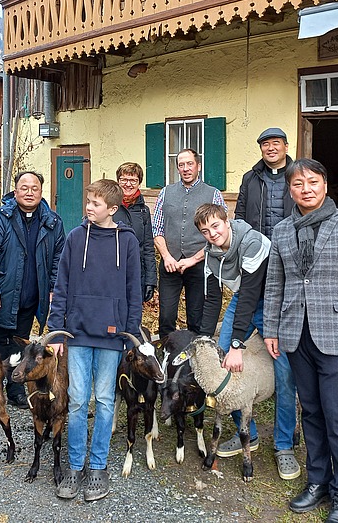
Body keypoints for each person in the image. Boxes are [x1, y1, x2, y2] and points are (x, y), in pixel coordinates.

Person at [263, 159, 338, 523]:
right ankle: (319, 482)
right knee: (310, 412)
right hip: (296, 335)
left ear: (325, 185)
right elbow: (275, 285)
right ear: (290, 190)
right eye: (298, 184)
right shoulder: (282, 231)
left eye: (313, 182)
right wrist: (270, 329)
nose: (306, 189)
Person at [47, 179, 142, 502]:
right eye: (88, 201)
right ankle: (75, 466)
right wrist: (56, 330)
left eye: (96, 203)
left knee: (103, 401)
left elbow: (134, 291)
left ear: (112, 209)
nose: (89, 207)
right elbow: (61, 286)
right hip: (76, 333)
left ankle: (98, 467)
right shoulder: (75, 238)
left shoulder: (127, 242)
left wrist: (131, 336)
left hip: (112, 335)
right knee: (76, 401)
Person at [223, 126, 300, 480]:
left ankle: (284, 443)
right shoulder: (251, 178)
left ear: (286, 147)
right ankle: (246, 432)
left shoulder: (300, 176)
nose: (270, 148)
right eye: (265, 143)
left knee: (284, 372)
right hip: (253, 276)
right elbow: (238, 221)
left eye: (276, 143)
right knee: (225, 353)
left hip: (285, 282)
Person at [0, 171, 65, 408]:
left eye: (34, 188)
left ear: (41, 192)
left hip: (30, 299)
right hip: (0, 296)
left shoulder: (52, 222)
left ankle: (15, 390)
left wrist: (53, 288)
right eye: (24, 188)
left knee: (19, 346)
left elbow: (59, 258)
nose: (29, 192)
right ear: (15, 192)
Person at [152, 148, 226, 336]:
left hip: (200, 264)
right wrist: (166, 257)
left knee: (196, 317)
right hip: (170, 263)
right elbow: (157, 229)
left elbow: (221, 234)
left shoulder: (213, 194)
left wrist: (193, 259)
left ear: (198, 166)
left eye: (189, 164)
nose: (185, 168)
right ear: (178, 168)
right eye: (181, 165)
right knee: (166, 317)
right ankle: (166, 359)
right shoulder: (165, 193)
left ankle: (194, 359)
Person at [113, 162, 157, 303]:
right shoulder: (109, 207)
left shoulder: (143, 211)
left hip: (137, 274)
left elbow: (148, 248)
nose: (128, 184)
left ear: (139, 183)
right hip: (112, 272)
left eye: (133, 180)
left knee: (133, 316)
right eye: (123, 180)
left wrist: (151, 280)